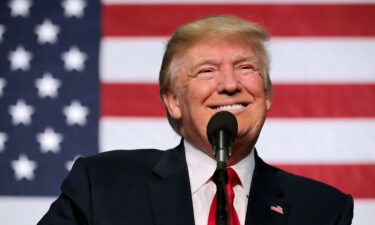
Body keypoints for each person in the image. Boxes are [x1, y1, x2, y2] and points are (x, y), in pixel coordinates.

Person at [38, 15, 353, 225]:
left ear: (267, 95)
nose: (230, 84)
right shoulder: (102, 185)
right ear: (174, 101)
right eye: (207, 70)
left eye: (246, 68)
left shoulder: (322, 209)